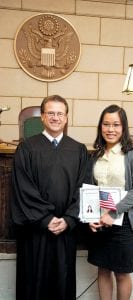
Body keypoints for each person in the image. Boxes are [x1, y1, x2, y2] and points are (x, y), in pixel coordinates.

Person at [11, 95, 88, 300]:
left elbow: (84, 187)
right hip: (35, 231)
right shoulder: (27, 148)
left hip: (65, 230)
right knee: (33, 283)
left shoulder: (79, 150)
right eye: (51, 113)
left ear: (66, 117)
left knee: (62, 283)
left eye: (60, 113)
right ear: (43, 117)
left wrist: (69, 219)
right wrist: (46, 219)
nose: (55, 117)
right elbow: (22, 188)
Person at [87, 104, 133, 300]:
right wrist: (91, 217)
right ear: (100, 127)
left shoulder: (132, 153)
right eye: (106, 124)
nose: (110, 129)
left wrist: (112, 213)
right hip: (100, 222)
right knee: (103, 270)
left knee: (121, 273)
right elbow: (90, 188)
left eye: (116, 125)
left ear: (123, 127)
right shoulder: (95, 154)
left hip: (124, 222)